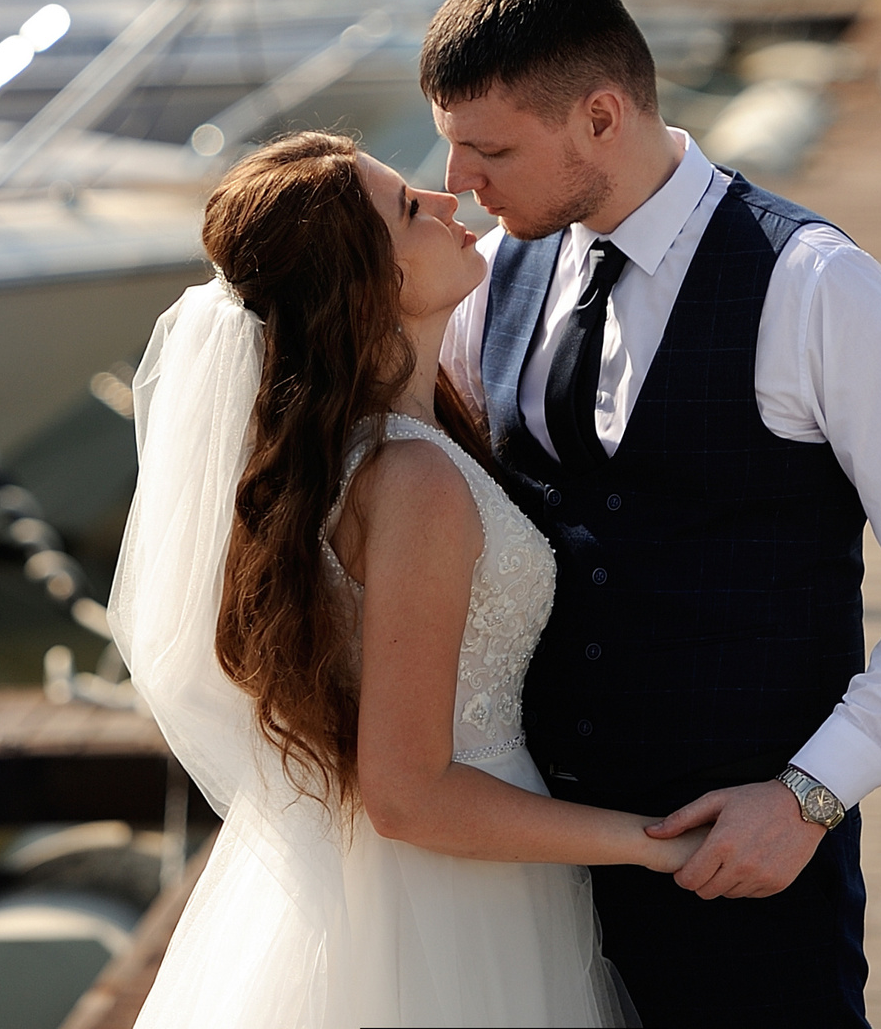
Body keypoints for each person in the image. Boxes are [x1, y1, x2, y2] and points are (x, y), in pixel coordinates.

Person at [424, 0, 881, 1028]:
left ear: (600, 118)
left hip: (746, 881)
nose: (458, 180)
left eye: (489, 149)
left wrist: (812, 794)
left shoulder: (811, 285)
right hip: (531, 881)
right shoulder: (497, 280)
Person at [114, 131, 693, 1028]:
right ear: (371, 284)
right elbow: (409, 792)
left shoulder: (380, 452)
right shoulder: (413, 481)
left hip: (410, 885)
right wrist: (648, 845)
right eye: (411, 209)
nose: (449, 203)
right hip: (451, 899)